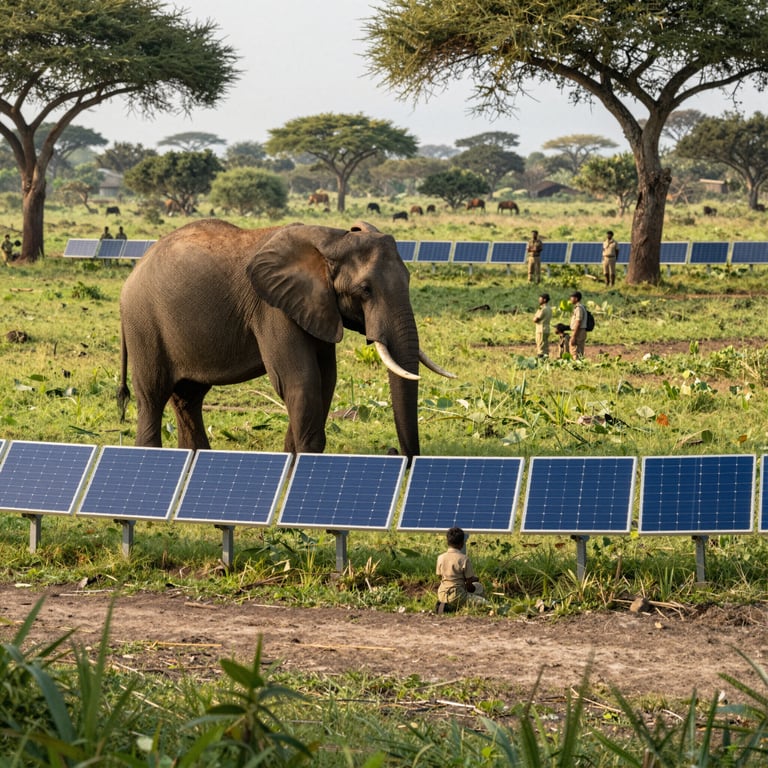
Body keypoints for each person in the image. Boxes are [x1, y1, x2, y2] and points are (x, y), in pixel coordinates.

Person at [435, 526, 485, 613]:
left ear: (447, 542)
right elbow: (469, 584)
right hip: (458, 595)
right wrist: (472, 588)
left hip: (442, 594)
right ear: (462, 543)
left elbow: (440, 576)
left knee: (477, 587)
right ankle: (458, 605)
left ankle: (446, 605)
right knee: (484, 602)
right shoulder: (464, 559)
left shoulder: (440, 558)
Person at [569, 291, 587, 359]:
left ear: (576, 299)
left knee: (575, 351)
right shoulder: (580, 307)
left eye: (572, 297)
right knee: (579, 351)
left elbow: (578, 322)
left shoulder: (579, 308)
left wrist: (574, 336)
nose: (570, 299)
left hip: (578, 332)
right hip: (580, 331)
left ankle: (576, 366)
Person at [533, 292, 552, 357]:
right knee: (545, 346)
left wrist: (534, 318)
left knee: (540, 347)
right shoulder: (549, 308)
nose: (539, 300)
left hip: (541, 329)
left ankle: (541, 361)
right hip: (547, 329)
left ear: (544, 300)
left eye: (540, 298)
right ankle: (546, 360)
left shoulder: (542, 308)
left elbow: (536, 319)